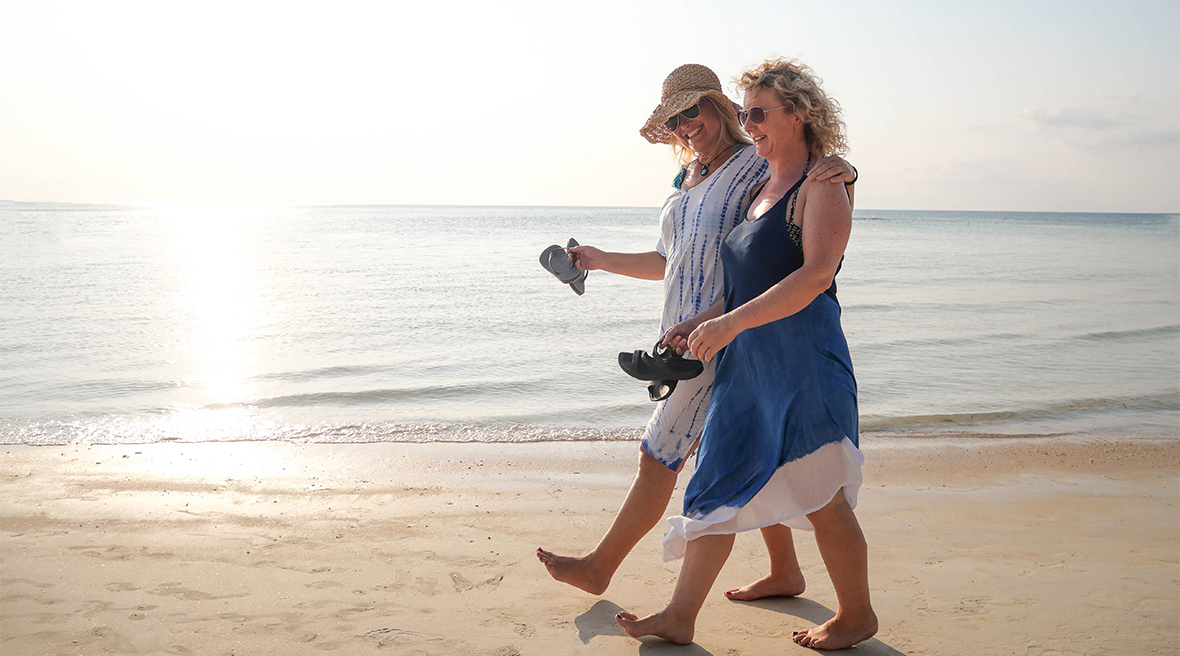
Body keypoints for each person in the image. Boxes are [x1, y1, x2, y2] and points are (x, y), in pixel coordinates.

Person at [536, 63, 856, 601]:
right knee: (750, 452)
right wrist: (599, 259)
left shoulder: (750, 165)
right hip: (688, 334)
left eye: (693, 110)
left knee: (661, 451)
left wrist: (844, 170)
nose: (685, 125)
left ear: (718, 108)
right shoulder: (686, 180)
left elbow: (799, 187)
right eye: (675, 119)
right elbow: (669, 260)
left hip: (726, 335)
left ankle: (602, 567)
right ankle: (785, 571)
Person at [615, 57, 877, 651]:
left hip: (802, 363)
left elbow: (814, 276)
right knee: (715, 482)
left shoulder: (823, 183)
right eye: (747, 112)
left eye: (758, 113)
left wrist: (728, 323)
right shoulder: (760, 187)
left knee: (822, 493)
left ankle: (856, 615)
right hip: (746, 367)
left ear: (798, 114)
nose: (749, 122)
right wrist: (700, 321)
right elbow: (741, 287)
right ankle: (680, 616)